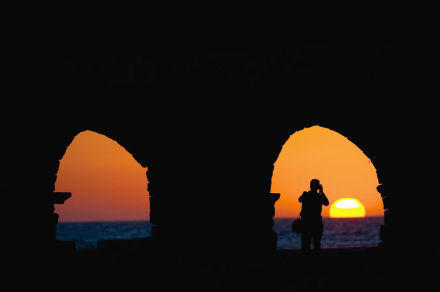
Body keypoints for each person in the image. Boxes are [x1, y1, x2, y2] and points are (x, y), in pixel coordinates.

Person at [298, 179, 329, 253]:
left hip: (306, 222)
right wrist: (321, 191)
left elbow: (300, 199)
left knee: (306, 244)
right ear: (317, 187)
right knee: (316, 243)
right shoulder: (318, 196)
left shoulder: (306, 194)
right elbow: (326, 202)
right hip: (316, 222)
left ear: (310, 186)